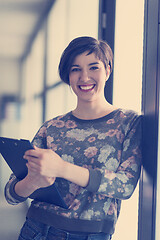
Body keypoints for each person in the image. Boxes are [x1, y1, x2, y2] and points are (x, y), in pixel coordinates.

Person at [5, 36, 142, 240]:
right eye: (75, 69)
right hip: (35, 230)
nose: (84, 77)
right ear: (67, 76)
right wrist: (33, 182)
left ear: (108, 70)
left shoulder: (128, 122)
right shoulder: (52, 127)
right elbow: (11, 193)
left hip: (91, 235)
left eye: (93, 67)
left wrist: (62, 169)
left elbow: (125, 185)